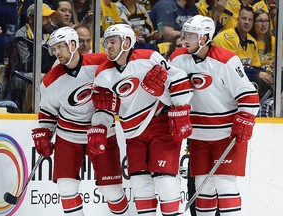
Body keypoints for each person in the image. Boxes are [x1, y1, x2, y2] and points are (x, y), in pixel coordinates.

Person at [90, 23, 194, 215]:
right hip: (133, 133)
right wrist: (99, 128)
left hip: (160, 124)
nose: (108, 46)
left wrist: (177, 106)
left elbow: (180, 80)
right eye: (106, 43)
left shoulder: (149, 57)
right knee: (140, 184)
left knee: (165, 182)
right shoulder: (103, 74)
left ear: (127, 42)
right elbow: (104, 107)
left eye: (112, 42)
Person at [31, 26, 129, 216]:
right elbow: (47, 113)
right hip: (68, 137)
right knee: (66, 187)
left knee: (112, 190)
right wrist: (44, 133)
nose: (57, 52)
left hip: (102, 133)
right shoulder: (50, 81)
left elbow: (117, 90)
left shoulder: (100, 63)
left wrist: (103, 121)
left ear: (73, 45)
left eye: (61, 47)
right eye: (54, 48)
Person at [168, 15, 260, 215]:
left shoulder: (226, 60)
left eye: (191, 35)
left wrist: (245, 119)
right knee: (203, 186)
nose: (185, 39)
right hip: (198, 134)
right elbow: (170, 94)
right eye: (185, 34)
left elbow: (249, 95)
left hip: (227, 134)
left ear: (204, 38)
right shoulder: (176, 59)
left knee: (224, 184)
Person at [213, 6, 272, 91]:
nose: (247, 22)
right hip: (220, 82)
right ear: (238, 19)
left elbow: (255, 66)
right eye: (244, 18)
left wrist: (266, 71)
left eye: (250, 19)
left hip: (239, 81)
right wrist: (257, 73)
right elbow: (231, 68)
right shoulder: (227, 38)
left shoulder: (252, 41)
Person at [250, 9, 275, 100]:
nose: (264, 25)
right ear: (253, 23)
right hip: (256, 78)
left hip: (273, 78)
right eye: (260, 21)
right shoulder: (249, 41)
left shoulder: (274, 41)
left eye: (266, 21)